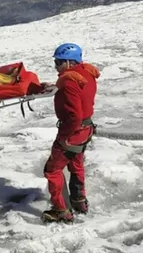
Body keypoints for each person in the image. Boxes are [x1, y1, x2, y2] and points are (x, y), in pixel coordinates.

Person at [42, 42, 100, 223]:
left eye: (59, 62)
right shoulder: (86, 73)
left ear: (69, 62)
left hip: (73, 132)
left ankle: (61, 210)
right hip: (86, 129)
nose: (56, 66)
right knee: (76, 164)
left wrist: (64, 138)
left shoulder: (69, 81)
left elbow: (74, 115)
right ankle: (79, 200)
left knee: (53, 169)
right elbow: (79, 92)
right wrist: (56, 86)